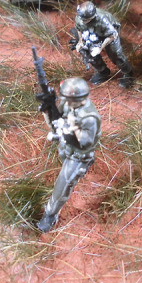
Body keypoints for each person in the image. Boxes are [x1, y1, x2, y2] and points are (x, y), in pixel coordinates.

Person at [38, 77, 101, 233]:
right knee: (63, 159)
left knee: (63, 184)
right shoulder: (67, 104)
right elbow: (56, 123)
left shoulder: (89, 117)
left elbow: (85, 142)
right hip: (66, 147)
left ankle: (50, 215)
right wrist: (48, 110)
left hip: (79, 154)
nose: (66, 101)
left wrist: (73, 128)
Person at [72, 1, 134, 88]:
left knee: (115, 53)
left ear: (92, 17)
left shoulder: (102, 20)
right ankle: (103, 71)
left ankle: (128, 73)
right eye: (81, 18)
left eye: (85, 19)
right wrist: (80, 41)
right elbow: (79, 28)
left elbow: (112, 35)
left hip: (109, 33)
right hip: (92, 32)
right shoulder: (79, 18)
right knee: (88, 51)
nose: (82, 21)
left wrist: (100, 48)